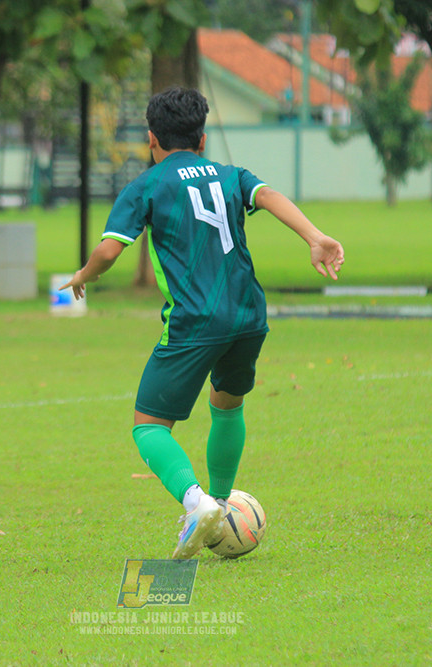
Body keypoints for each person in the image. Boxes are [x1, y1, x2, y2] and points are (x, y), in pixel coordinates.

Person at [61, 88, 344, 559]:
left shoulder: (148, 185)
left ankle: (197, 503)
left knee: (148, 427)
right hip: (248, 314)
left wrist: (84, 274)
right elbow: (269, 196)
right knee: (227, 405)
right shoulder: (232, 175)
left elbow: (110, 250)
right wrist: (314, 236)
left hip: (195, 321)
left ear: (152, 139)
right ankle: (223, 504)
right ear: (203, 139)